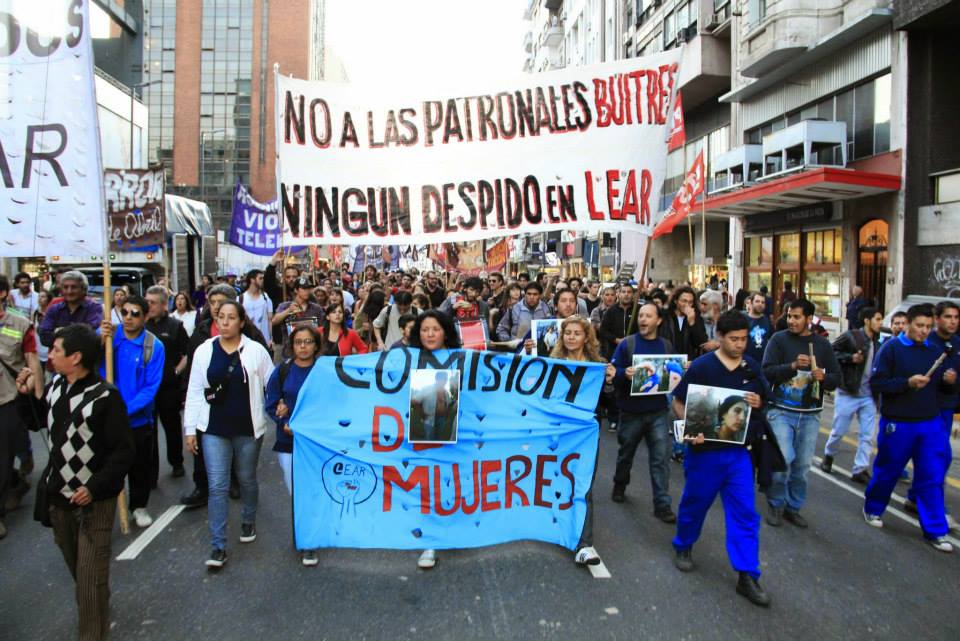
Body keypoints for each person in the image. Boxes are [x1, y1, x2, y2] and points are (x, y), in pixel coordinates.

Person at [16, 324, 134, 641]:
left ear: (76, 357)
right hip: (60, 500)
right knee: (80, 572)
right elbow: (39, 420)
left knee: (88, 584)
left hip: (94, 502)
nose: (50, 355)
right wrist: (23, 395)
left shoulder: (106, 397)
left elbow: (123, 453)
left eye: (56, 350)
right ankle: (97, 597)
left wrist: (94, 488)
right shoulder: (56, 386)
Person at [670, 310, 771, 607]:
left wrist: (759, 401)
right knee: (695, 503)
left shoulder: (752, 368)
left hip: (738, 454)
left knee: (745, 513)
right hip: (705, 454)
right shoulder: (702, 367)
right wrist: (691, 427)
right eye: (734, 339)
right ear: (719, 337)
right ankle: (684, 545)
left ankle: (747, 574)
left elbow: (765, 399)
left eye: (743, 339)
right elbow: (678, 401)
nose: (740, 345)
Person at [184, 301, 274, 569]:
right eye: (220, 317)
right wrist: (190, 430)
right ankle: (218, 545)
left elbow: (273, 384)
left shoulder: (256, 351)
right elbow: (195, 391)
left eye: (231, 318)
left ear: (241, 322)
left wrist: (280, 410)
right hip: (213, 430)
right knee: (218, 486)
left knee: (246, 479)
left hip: (248, 429)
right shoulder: (203, 351)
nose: (224, 322)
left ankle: (248, 518)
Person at [864, 304, 956, 552]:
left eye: (928, 327)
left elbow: (941, 390)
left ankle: (935, 530)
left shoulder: (936, 351)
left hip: (929, 422)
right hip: (898, 422)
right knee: (888, 470)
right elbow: (878, 383)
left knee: (932, 476)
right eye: (919, 326)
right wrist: (907, 383)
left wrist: (949, 383)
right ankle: (873, 508)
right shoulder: (891, 349)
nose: (924, 331)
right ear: (907, 324)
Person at [180, 284, 269, 509]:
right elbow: (194, 381)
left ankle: (239, 488)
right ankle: (205, 496)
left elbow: (270, 380)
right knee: (213, 479)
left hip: (244, 420)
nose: (219, 314)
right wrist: (189, 426)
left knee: (245, 473)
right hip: (210, 417)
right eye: (213, 305)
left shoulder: (253, 341)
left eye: (223, 305)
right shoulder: (200, 335)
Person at [761, 299, 841, 528]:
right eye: (789, 316)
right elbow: (766, 372)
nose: (792, 321)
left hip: (810, 414)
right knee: (783, 459)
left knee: (803, 466)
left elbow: (836, 379)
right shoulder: (778, 340)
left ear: (809, 319)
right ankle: (776, 503)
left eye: (796, 316)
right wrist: (792, 367)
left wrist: (824, 378)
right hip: (781, 411)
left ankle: (793, 507)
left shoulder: (823, 346)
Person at [548, 315, 614, 565]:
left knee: (582, 484)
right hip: (558, 432)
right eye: (568, 333)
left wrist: (609, 382)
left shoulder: (598, 365)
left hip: (585, 435)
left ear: (587, 337)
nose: (572, 337)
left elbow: (609, 404)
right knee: (555, 479)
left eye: (577, 333)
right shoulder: (552, 364)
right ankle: (556, 526)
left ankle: (584, 544)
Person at [98, 295, 165, 528]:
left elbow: (150, 387)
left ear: (145, 317)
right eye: (125, 312)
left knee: (139, 467)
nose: (128, 317)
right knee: (106, 465)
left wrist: (125, 410)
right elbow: (92, 363)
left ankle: (139, 506)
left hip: (137, 420)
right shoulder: (109, 338)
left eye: (135, 313)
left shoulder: (154, 346)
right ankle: (104, 508)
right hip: (105, 417)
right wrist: (99, 338)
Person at [609, 302, 676, 523]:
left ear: (658, 321)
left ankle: (662, 503)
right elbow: (612, 373)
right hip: (631, 411)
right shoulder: (628, 344)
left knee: (660, 458)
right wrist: (623, 374)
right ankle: (620, 483)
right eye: (641, 316)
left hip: (657, 411)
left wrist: (678, 372)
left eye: (648, 316)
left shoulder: (665, 346)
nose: (643, 320)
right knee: (626, 452)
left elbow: (671, 375)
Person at [407, 310, 462, 570]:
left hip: (455, 432)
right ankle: (429, 542)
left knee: (451, 483)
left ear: (446, 332)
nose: (429, 334)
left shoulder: (462, 360)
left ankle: (452, 528)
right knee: (427, 485)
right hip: (422, 433)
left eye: (435, 329)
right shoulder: (407, 359)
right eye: (424, 329)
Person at [265, 324, 321, 566]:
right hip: (288, 440)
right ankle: (303, 532)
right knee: (296, 491)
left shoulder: (323, 372)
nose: (303, 346)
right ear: (292, 345)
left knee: (312, 490)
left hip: (316, 443)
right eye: (299, 342)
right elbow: (271, 403)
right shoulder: (283, 371)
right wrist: (282, 419)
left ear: (316, 345)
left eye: (308, 342)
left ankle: (309, 541)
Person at [903, 300, 960, 524]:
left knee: (938, 458)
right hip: (926, 408)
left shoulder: (956, 344)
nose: (953, 322)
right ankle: (932, 508)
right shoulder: (927, 343)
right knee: (937, 457)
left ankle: (917, 497)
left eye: (956, 318)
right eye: (948, 317)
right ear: (937, 319)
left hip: (946, 409)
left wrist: (953, 382)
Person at [0, 276, 43, 538]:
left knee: (1, 457)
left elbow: (31, 359)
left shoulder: (20, 324)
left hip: (7, 398)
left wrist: (38, 395)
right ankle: (16, 481)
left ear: (3, 293)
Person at [821, 307, 883, 482]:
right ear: (867, 320)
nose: (880, 323)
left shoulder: (878, 343)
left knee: (867, 435)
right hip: (848, 391)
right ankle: (829, 455)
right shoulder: (851, 336)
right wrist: (850, 358)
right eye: (877, 319)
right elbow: (831, 352)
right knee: (838, 431)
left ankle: (860, 468)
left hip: (868, 395)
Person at [145, 285, 190, 480]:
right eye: (147, 302)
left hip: (168, 387)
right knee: (148, 431)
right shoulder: (141, 326)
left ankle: (176, 462)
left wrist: (176, 371)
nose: (149, 306)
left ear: (164, 305)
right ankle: (151, 471)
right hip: (146, 388)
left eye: (153, 303)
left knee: (171, 426)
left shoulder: (175, 326)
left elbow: (187, 353)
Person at [39, 271, 104, 348]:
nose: (69, 291)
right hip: (58, 358)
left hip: (86, 359)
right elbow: (44, 338)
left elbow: (90, 336)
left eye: (74, 287)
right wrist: (76, 333)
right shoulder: (54, 309)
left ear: (83, 289)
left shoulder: (94, 308)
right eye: (65, 287)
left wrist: (59, 331)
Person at [273, 277, 325, 358]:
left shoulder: (316, 308)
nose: (307, 291)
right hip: (290, 352)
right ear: (296, 290)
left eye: (308, 289)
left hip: (311, 352)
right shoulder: (285, 306)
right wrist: (288, 311)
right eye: (304, 288)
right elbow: (274, 321)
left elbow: (322, 329)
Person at [659, 286, 708, 362]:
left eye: (690, 302)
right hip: (667, 359)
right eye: (684, 301)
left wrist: (692, 323)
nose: (687, 305)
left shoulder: (696, 317)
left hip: (688, 361)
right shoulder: (665, 316)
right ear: (676, 301)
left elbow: (701, 342)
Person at [598, 283, 637, 359]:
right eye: (623, 292)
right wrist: (616, 340)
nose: (626, 294)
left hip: (634, 350)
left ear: (633, 294)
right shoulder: (611, 311)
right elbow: (603, 330)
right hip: (614, 351)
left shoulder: (638, 309)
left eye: (629, 292)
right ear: (618, 294)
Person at [240, 269, 275, 353]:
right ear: (252, 280)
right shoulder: (241, 299)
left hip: (264, 342)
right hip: (247, 342)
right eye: (260, 278)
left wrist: (271, 339)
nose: (263, 280)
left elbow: (270, 320)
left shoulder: (265, 298)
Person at [744, 292, 773, 363]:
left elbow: (770, 339)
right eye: (757, 301)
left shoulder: (767, 320)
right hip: (746, 362)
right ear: (751, 303)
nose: (760, 304)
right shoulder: (743, 319)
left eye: (763, 302)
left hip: (763, 362)